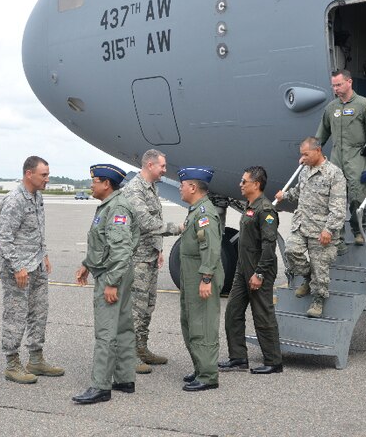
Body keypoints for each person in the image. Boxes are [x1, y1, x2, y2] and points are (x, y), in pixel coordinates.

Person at [73, 164, 139, 404]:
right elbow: (103, 244)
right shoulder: (110, 206)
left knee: (106, 332)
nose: (91, 186)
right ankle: (124, 379)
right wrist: (87, 264)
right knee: (122, 327)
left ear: (106, 184)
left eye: (94, 181)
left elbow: (121, 252)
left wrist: (111, 282)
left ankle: (100, 386)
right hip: (113, 272)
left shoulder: (117, 208)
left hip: (113, 275)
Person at [0, 156, 64, 385]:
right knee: (16, 315)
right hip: (19, 269)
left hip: (36, 265)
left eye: (47, 174)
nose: (47, 179)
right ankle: (12, 363)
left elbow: (37, 230)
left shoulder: (37, 197)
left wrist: (44, 255)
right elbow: (4, 238)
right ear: (29, 174)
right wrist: (18, 267)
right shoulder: (15, 200)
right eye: (43, 175)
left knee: (39, 312)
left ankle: (36, 358)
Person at [121, 149, 183, 374]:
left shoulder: (151, 188)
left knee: (147, 307)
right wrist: (178, 228)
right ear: (149, 165)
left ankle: (141, 348)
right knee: (135, 309)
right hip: (137, 259)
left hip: (149, 256)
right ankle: (129, 355)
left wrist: (158, 249)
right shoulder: (134, 189)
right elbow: (146, 222)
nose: (165, 170)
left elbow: (154, 221)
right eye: (162, 167)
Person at [219, 166, 283, 374]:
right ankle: (238, 358)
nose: (240, 184)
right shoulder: (250, 206)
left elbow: (268, 245)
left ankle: (273, 361)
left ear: (256, 184)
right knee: (233, 313)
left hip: (258, 271)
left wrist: (260, 273)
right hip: (243, 269)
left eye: (244, 181)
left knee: (262, 316)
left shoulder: (265, 210)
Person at [275, 137, 346, 318]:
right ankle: (308, 277)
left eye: (306, 154)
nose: (302, 158)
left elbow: (338, 207)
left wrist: (329, 229)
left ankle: (318, 299)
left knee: (320, 267)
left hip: (321, 230)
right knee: (291, 251)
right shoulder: (305, 171)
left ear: (318, 150)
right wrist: (285, 195)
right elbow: (299, 191)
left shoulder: (334, 174)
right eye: (302, 155)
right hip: (302, 224)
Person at [316, 69, 366, 248]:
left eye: (338, 84)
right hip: (337, 157)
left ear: (349, 82)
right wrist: (311, 153)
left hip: (357, 157)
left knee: (357, 197)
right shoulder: (332, 108)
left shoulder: (363, 105)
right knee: (335, 199)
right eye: (333, 85)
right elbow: (322, 132)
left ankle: (359, 230)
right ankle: (338, 236)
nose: (335, 88)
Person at [178, 166, 223, 392]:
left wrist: (206, 278)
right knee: (190, 322)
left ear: (193, 187)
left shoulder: (204, 213)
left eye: (183, 185)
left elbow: (211, 248)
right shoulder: (196, 210)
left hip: (201, 277)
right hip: (191, 276)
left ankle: (208, 376)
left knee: (203, 325)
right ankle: (200, 368)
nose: (180, 188)